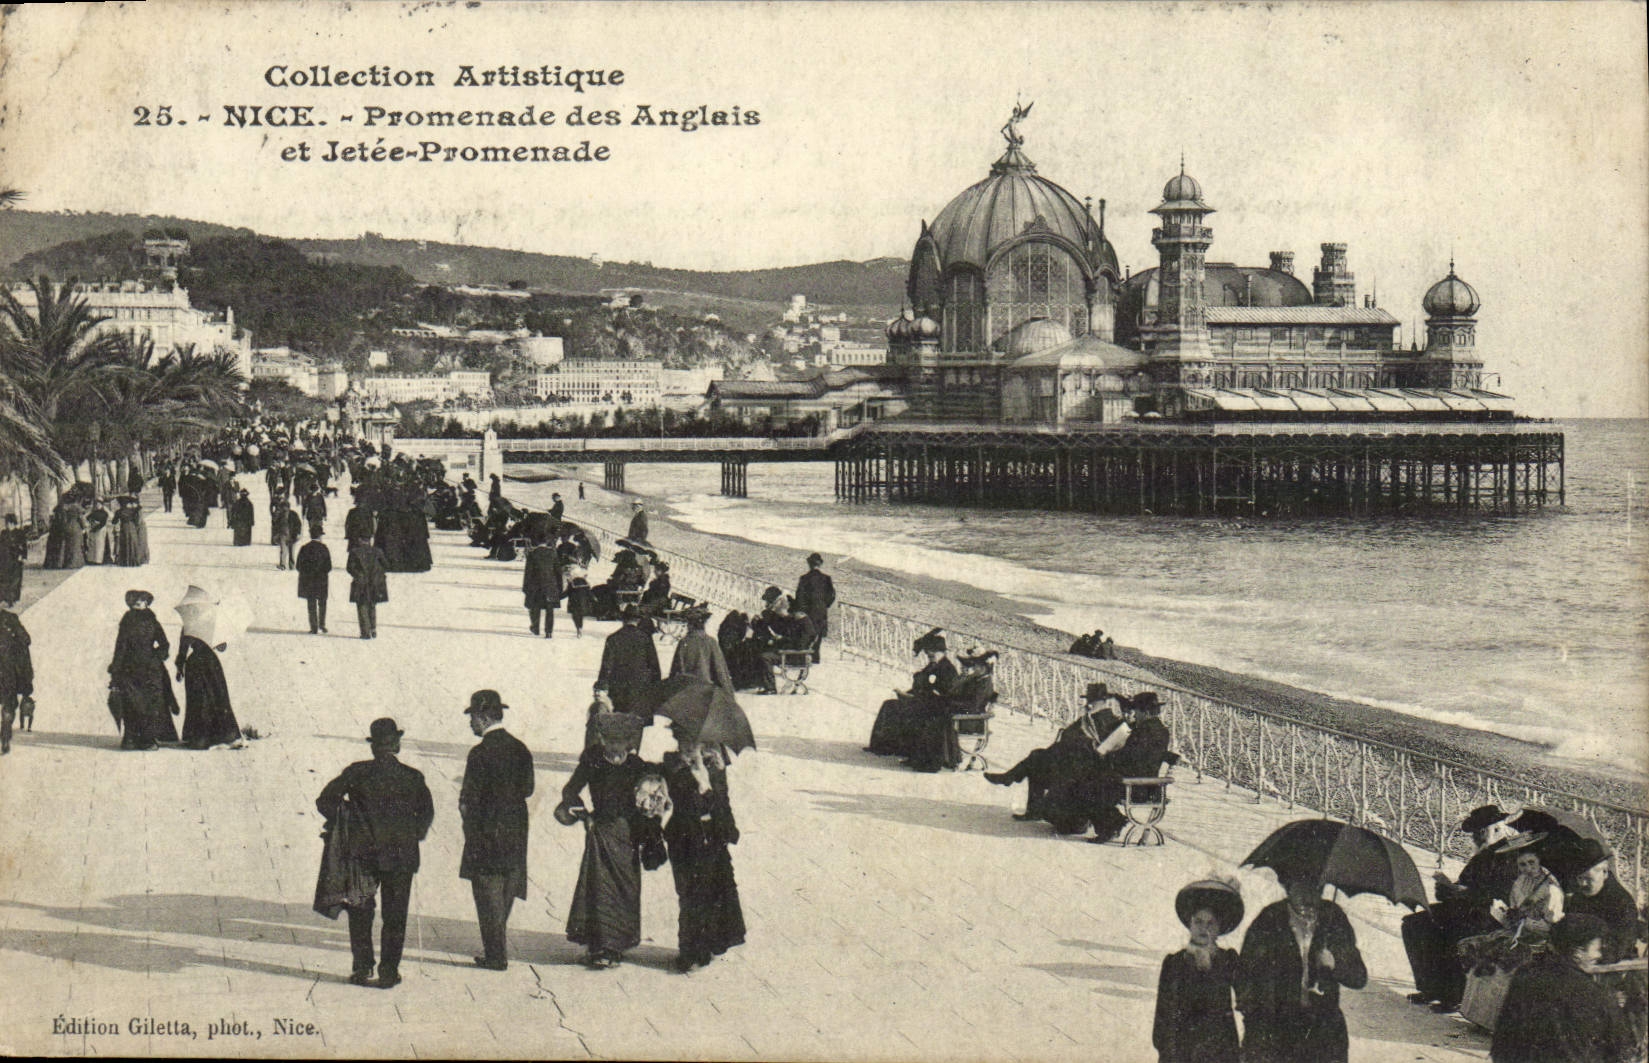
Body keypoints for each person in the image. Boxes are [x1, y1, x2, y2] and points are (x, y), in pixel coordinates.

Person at [316, 717, 435, 990]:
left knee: (360, 912)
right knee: (395, 916)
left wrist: (345, 819)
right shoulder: (413, 777)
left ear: (373, 747)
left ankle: (362, 968)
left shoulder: (356, 772)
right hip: (400, 857)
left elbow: (324, 801)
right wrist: (411, 834)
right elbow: (426, 815)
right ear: (396, 744)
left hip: (361, 855)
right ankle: (389, 972)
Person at [557, 711, 666, 970]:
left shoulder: (638, 767)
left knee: (625, 890)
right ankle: (599, 946)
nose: (616, 747)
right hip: (601, 834)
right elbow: (570, 790)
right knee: (599, 890)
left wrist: (651, 807)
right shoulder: (592, 759)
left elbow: (652, 800)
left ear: (630, 742)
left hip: (628, 836)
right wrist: (584, 815)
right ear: (602, 739)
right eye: (610, 740)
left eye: (621, 742)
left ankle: (617, 945)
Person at [1236, 871, 1368, 1063]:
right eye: (1301, 887)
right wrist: (1255, 1024)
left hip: (1322, 1034)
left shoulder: (1334, 919)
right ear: (1288, 887)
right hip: (1277, 1030)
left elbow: (1359, 977)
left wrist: (1335, 964)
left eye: (1315, 888)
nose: (1308, 896)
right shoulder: (1269, 920)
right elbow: (1245, 974)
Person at [1402, 804, 1520, 1011]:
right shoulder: (1483, 855)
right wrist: (1446, 889)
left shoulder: (1509, 856)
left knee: (1452, 931)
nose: (1477, 836)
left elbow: (1501, 895)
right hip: (1465, 909)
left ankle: (1453, 996)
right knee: (1414, 923)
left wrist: (1462, 893)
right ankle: (1429, 988)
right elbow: (1464, 884)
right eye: (1476, 832)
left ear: (1498, 828)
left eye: (1482, 831)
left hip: (1487, 916)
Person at [1490, 914, 1637, 1063]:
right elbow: (1622, 1051)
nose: (1598, 955)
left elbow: (1501, 1042)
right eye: (1597, 949)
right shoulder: (1596, 994)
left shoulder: (1524, 976)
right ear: (1578, 952)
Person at [460, 690, 535, 971]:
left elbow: (468, 799)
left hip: (485, 827)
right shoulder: (520, 748)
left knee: (487, 889)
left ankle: (495, 955)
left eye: (473, 718)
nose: (470, 724)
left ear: (484, 717)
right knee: (507, 884)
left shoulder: (479, 753)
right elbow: (528, 789)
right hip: (516, 825)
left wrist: (470, 831)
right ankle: (497, 945)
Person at [985, 682, 1124, 829]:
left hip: (1084, 766)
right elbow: (1069, 735)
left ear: (1104, 702)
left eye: (1093, 701)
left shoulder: (1104, 719)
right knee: (1038, 757)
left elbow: (1096, 744)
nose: (1090, 704)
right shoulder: (1093, 717)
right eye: (1090, 700)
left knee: (1037, 757)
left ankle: (1014, 782)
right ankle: (1019, 790)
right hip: (1073, 760)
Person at [661, 740, 745, 972]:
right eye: (683, 739)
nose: (686, 746)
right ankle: (689, 951)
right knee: (688, 893)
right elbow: (675, 801)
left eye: (693, 741)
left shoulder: (715, 766)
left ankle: (707, 945)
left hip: (712, 837)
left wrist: (707, 787)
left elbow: (722, 803)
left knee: (712, 891)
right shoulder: (672, 765)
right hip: (684, 839)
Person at [1154, 878, 1244, 1063]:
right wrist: (1166, 1051)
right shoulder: (1174, 962)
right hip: (1182, 1050)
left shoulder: (1228, 960)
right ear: (1190, 925)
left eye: (1211, 923)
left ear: (1219, 928)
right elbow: (1162, 1015)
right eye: (1199, 922)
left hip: (1221, 1051)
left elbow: (1249, 996)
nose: (1204, 928)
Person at [1088, 692, 1175, 844]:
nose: (1135, 715)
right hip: (1149, 784)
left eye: (1138, 712)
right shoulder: (1161, 730)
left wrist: (1108, 753)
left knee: (1091, 782)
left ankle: (1111, 825)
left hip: (1136, 786)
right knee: (1095, 777)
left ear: (1146, 712)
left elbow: (1130, 759)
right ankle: (1113, 823)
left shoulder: (1144, 731)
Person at [107, 589, 180, 750]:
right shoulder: (128, 621)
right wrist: (116, 670)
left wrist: (155, 657)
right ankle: (132, 739)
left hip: (147, 669)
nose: (138, 604)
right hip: (131, 669)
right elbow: (121, 647)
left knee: (147, 704)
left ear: (147, 603)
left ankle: (145, 740)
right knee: (132, 703)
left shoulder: (151, 621)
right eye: (135, 602)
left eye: (141, 601)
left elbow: (164, 644)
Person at [866, 629, 957, 756]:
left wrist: (916, 696)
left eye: (933, 653)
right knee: (889, 705)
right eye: (929, 653)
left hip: (934, 707)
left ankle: (896, 747)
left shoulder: (947, 669)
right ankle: (883, 745)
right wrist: (906, 694)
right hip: (922, 701)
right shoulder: (932, 665)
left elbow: (944, 693)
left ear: (943, 652)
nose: (930, 655)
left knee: (898, 709)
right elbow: (921, 685)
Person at [1564, 839, 1640, 964]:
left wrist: (1595, 956)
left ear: (1604, 873)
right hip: (1580, 964)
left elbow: (1623, 946)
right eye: (1579, 878)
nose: (1583, 884)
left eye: (1589, 879)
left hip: (1613, 968)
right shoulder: (1578, 897)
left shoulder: (1622, 902)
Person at [176, 628, 241, 750]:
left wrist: (180, 667)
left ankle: (200, 737)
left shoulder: (190, 623)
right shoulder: (215, 623)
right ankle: (224, 734)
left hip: (195, 663)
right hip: (211, 662)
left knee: (199, 700)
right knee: (217, 697)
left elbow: (183, 647)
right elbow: (222, 648)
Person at [595, 605, 662, 716]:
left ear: (623, 619)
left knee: (620, 720)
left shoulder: (613, 638)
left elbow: (606, 665)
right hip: (640, 688)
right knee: (637, 721)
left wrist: (601, 684)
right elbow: (654, 665)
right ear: (638, 620)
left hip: (618, 688)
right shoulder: (645, 638)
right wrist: (656, 687)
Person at [670, 607, 735, 694]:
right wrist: (728, 695)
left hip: (686, 693)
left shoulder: (684, 643)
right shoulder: (711, 642)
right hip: (707, 693)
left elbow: (676, 671)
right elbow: (720, 671)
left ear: (690, 625)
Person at [0, 598, 33, 754]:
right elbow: (26, 640)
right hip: (8, 672)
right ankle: (5, 735)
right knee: (9, 704)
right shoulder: (10, 619)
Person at [793, 552, 835, 664]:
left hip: (807, 610)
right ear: (820, 564)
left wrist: (801, 609)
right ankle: (815, 657)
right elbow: (831, 595)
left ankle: (804, 657)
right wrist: (825, 604)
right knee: (818, 633)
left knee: (807, 632)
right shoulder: (826, 578)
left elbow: (799, 596)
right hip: (820, 611)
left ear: (809, 564)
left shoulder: (804, 578)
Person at [522, 533, 563, 639]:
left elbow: (528, 572)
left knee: (535, 607)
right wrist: (560, 587)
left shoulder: (533, 554)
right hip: (550, 585)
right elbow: (558, 572)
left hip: (536, 585)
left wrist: (525, 587)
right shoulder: (553, 553)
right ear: (547, 542)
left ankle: (536, 627)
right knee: (550, 609)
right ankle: (549, 631)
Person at [347, 536, 389, 640]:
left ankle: (365, 632)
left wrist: (357, 575)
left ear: (360, 540)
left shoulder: (354, 552)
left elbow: (349, 568)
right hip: (374, 582)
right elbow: (386, 565)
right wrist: (379, 574)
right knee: (372, 604)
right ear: (370, 540)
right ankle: (373, 628)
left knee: (362, 605)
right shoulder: (377, 551)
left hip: (360, 582)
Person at [297, 530, 333, 635]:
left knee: (311, 603)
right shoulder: (324, 548)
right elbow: (329, 566)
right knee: (322, 602)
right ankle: (322, 624)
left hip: (308, 580)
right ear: (320, 536)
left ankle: (314, 627)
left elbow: (298, 565)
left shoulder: (304, 548)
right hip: (321, 580)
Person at [112, 497, 149, 567]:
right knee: (132, 543)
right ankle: (134, 560)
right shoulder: (133, 511)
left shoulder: (119, 512)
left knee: (125, 543)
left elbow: (114, 521)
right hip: (132, 528)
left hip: (124, 528)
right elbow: (137, 519)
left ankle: (125, 561)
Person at [0, 514, 28, 604]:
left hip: (16, 558)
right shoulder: (3, 533)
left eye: (8, 523)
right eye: (6, 523)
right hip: (5, 559)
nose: (7, 525)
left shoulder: (20, 533)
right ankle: (5, 597)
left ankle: (12, 598)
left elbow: (24, 546)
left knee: (15, 579)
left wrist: (23, 556)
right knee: (5, 578)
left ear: (12, 523)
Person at [275, 500, 302, 570]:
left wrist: (298, 533)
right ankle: (282, 565)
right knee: (283, 550)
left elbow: (298, 524)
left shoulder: (293, 514)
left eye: (285, 507)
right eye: (282, 507)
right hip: (282, 535)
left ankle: (291, 566)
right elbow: (275, 525)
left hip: (292, 535)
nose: (283, 509)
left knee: (291, 551)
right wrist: (276, 534)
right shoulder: (279, 515)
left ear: (288, 507)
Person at [85, 497, 111, 565]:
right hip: (94, 529)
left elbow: (103, 521)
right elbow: (87, 518)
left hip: (101, 530)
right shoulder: (93, 512)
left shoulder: (104, 513)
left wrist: (97, 525)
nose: (97, 506)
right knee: (93, 545)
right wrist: (92, 523)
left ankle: (99, 560)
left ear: (102, 505)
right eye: (96, 504)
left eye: (99, 504)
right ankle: (92, 559)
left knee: (100, 545)